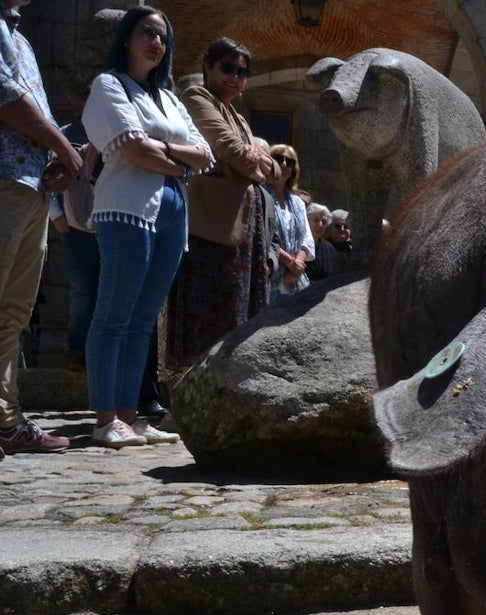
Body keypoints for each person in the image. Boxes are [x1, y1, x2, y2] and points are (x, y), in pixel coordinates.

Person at [80, 7, 211, 448]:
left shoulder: (171, 98)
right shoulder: (109, 85)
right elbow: (133, 149)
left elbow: (205, 154)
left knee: (143, 320)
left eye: (163, 36)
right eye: (147, 32)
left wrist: (167, 150)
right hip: (127, 207)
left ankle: (131, 416)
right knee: (114, 313)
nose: (156, 42)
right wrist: (178, 162)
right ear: (126, 38)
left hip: (173, 210)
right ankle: (104, 417)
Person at [165, 36, 278, 391]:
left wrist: (254, 162)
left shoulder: (239, 116)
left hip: (243, 234)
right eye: (227, 68)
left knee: (239, 315)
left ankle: (225, 389)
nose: (235, 77)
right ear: (208, 67)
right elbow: (231, 149)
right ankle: (188, 393)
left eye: (243, 72)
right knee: (204, 314)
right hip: (211, 229)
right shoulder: (197, 98)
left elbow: (273, 169)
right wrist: (253, 161)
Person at [0, 0, 82, 455]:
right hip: (4, 179)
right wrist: (62, 147)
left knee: (12, 312)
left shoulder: (21, 37)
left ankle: (6, 420)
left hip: (31, 183)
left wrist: (54, 157)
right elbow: (4, 96)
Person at [266, 143, 314, 305]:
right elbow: (263, 237)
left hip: (295, 278)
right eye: (279, 159)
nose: (284, 165)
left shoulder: (297, 202)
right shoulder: (261, 195)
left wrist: (297, 267)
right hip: (270, 275)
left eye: (290, 162)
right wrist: (289, 262)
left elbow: (306, 238)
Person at [304, 202, 335, 283]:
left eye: (324, 222)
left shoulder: (329, 248)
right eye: (316, 220)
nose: (320, 225)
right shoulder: (298, 245)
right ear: (307, 221)